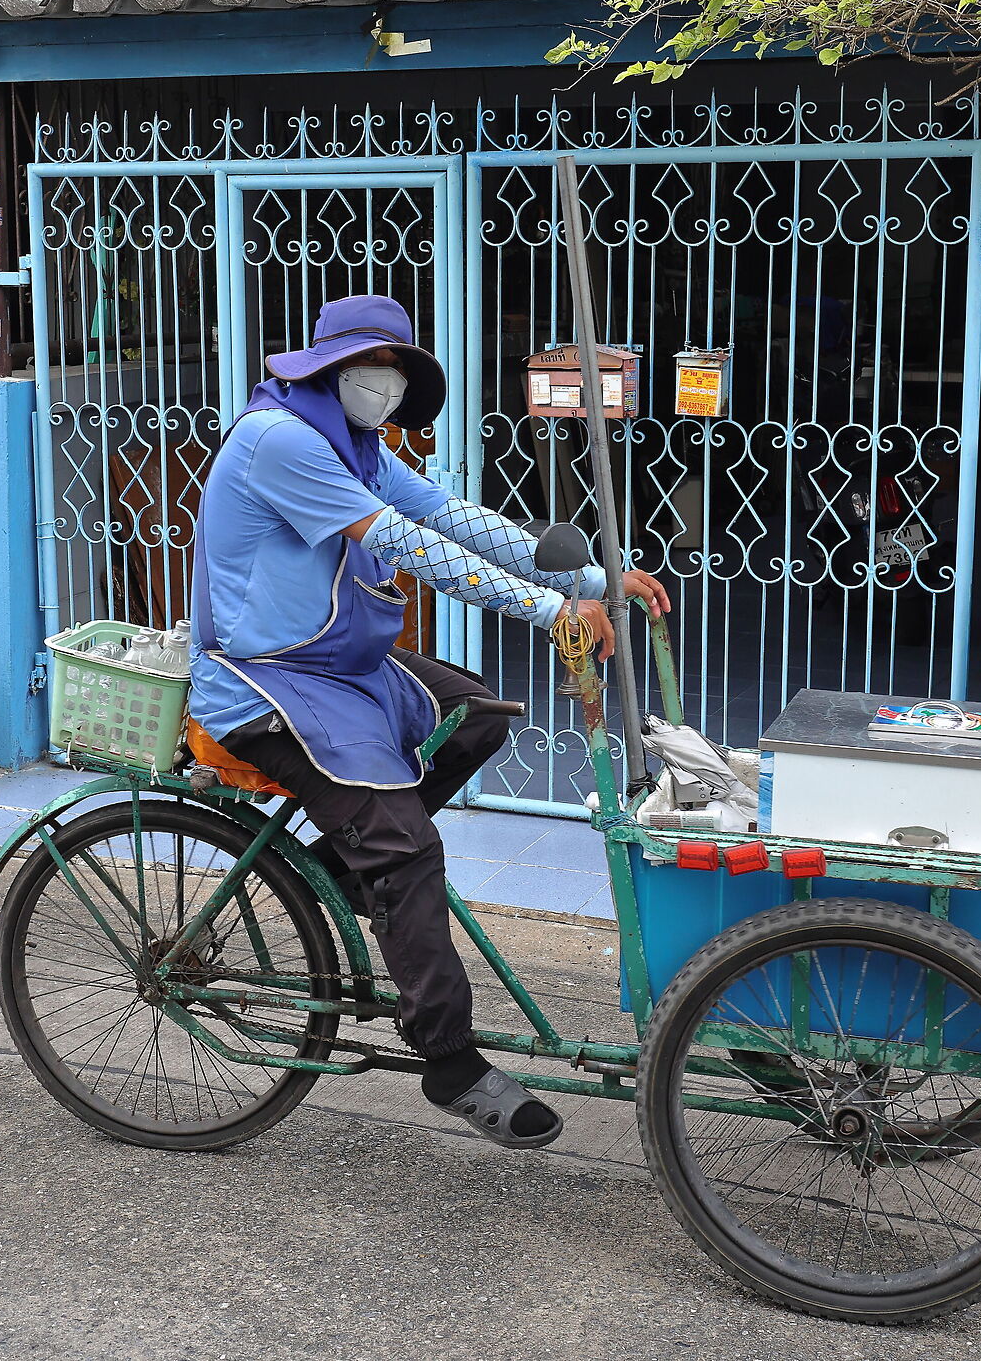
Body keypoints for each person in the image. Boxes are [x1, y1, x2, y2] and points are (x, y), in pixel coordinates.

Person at [189, 294, 667, 1149]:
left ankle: (338, 868)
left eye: (398, 368)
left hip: (338, 667)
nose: (386, 382)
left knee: (477, 716)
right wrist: (547, 610)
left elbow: (450, 519)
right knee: (409, 848)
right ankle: (448, 1060)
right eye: (375, 366)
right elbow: (408, 547)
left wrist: (594, 579)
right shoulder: (281, 441)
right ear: (331, 369)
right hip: (264, 681)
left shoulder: (361, 448)